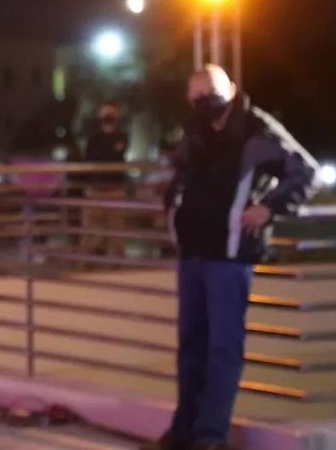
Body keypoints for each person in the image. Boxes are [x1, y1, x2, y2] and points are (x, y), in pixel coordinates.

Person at [142, 66, 315, 450]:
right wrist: (172, 211)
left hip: (229, 255)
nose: (203, 102)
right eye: (196, 96)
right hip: (193, 252)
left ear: (232, 90)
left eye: (211, 93)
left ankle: (210, 437)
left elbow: (305, 172)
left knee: (222, 349)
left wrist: (269, 208)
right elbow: (180, 175)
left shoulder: (258, 131)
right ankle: (184, 431)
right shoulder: (195, 132)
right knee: (191, 347)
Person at [80, 103, 129, 256]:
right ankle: (88, 260)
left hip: (115, 189)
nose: (108, 119)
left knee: (116, 231)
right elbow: (93, 157)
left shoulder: (121, 137)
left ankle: (115, 262)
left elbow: (113, 155)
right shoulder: (93, 139)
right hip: (96, 189)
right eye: (105, 116)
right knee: (91, 230)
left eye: (111, 116)